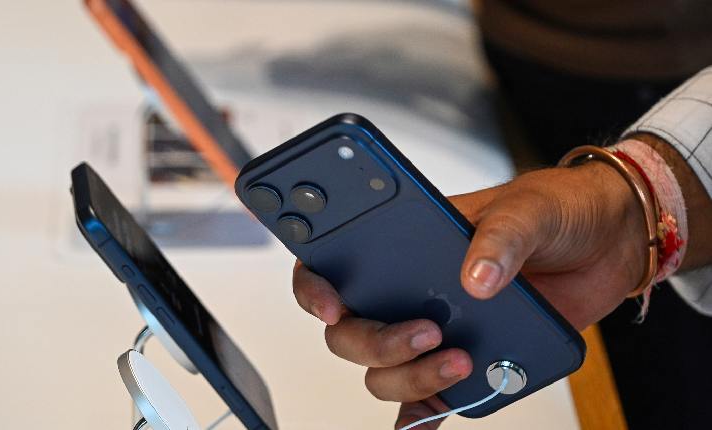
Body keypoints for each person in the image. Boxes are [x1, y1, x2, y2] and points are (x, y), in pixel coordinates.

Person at [291, 2, 712, 429]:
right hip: (524, 59)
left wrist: (640, 204)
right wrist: (629, 216)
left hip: (661, 65)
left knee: (667, 376)